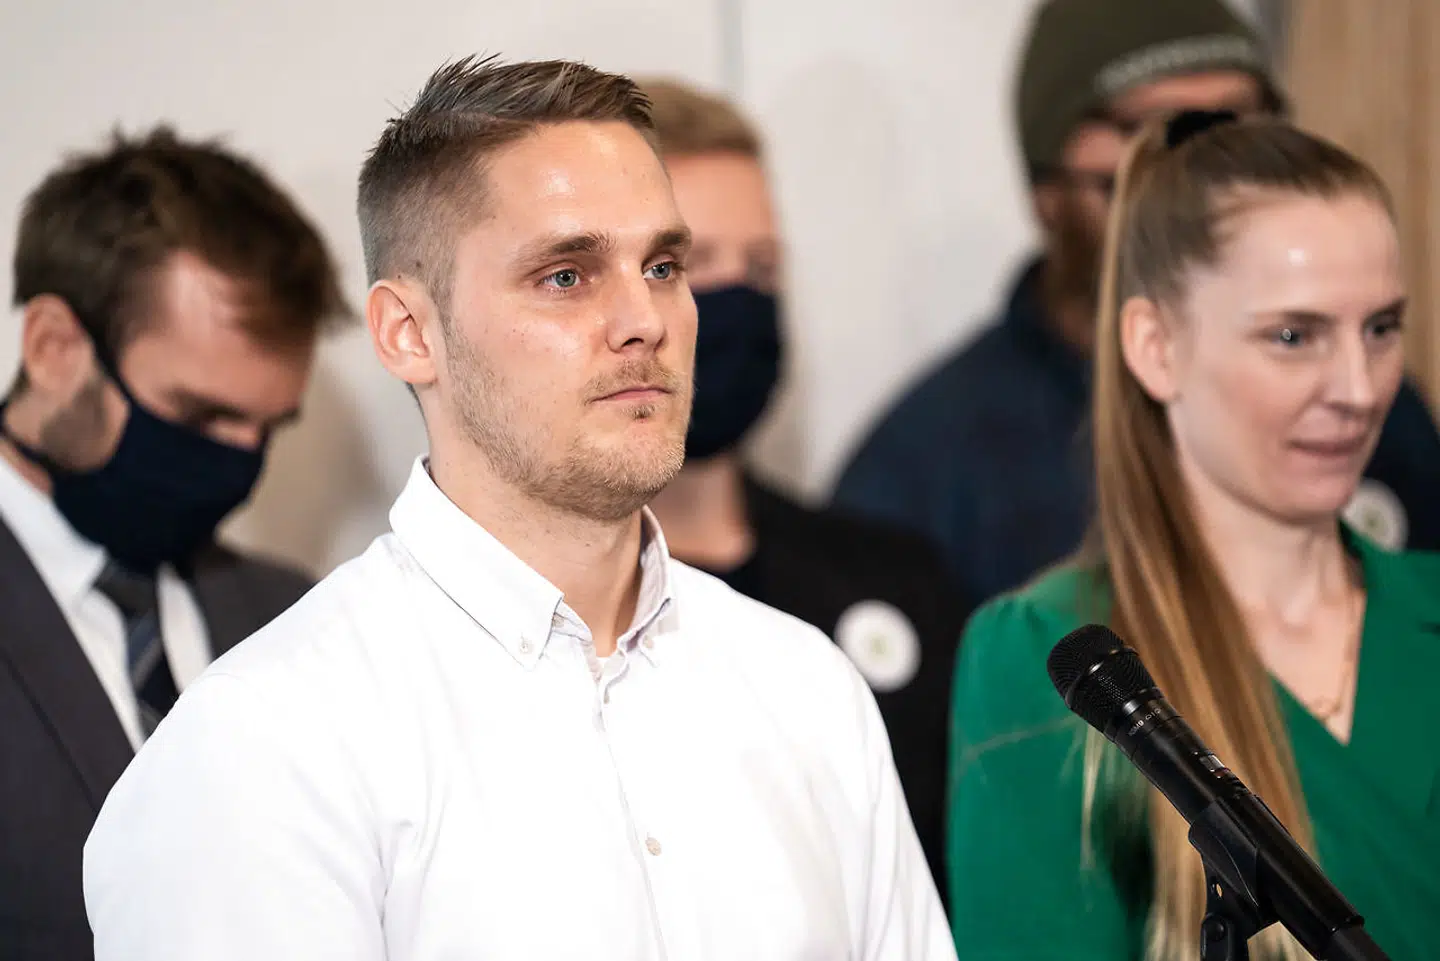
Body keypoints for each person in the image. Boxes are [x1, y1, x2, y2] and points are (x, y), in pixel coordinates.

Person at [83, 57, 954, 960]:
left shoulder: (807, 690)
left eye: (661, 265)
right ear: (408, 332)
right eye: (567, 275)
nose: (644, 319)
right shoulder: (265, 746)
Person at [946, 111, 1440, 961]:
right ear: (1155, 345)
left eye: (1382, 329)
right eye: (1294, 336)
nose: (1359, 388)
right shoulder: (1051, 655)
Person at [832, 0, 1440, 605]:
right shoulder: (927, 471)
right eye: (1158, 135)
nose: (1208, 186)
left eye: (1241, 131)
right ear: (1048, 183)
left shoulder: (1374, 418)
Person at [0, 127, 345, 960]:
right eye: (197, 417)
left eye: (267, 426)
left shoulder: (294, 613)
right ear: (52, 347)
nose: (236, 460)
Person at [637, 77, 968, 899]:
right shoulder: (551, 612)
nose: (740, 297)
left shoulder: (895, 577)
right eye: (692, 263)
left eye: (763, 264)